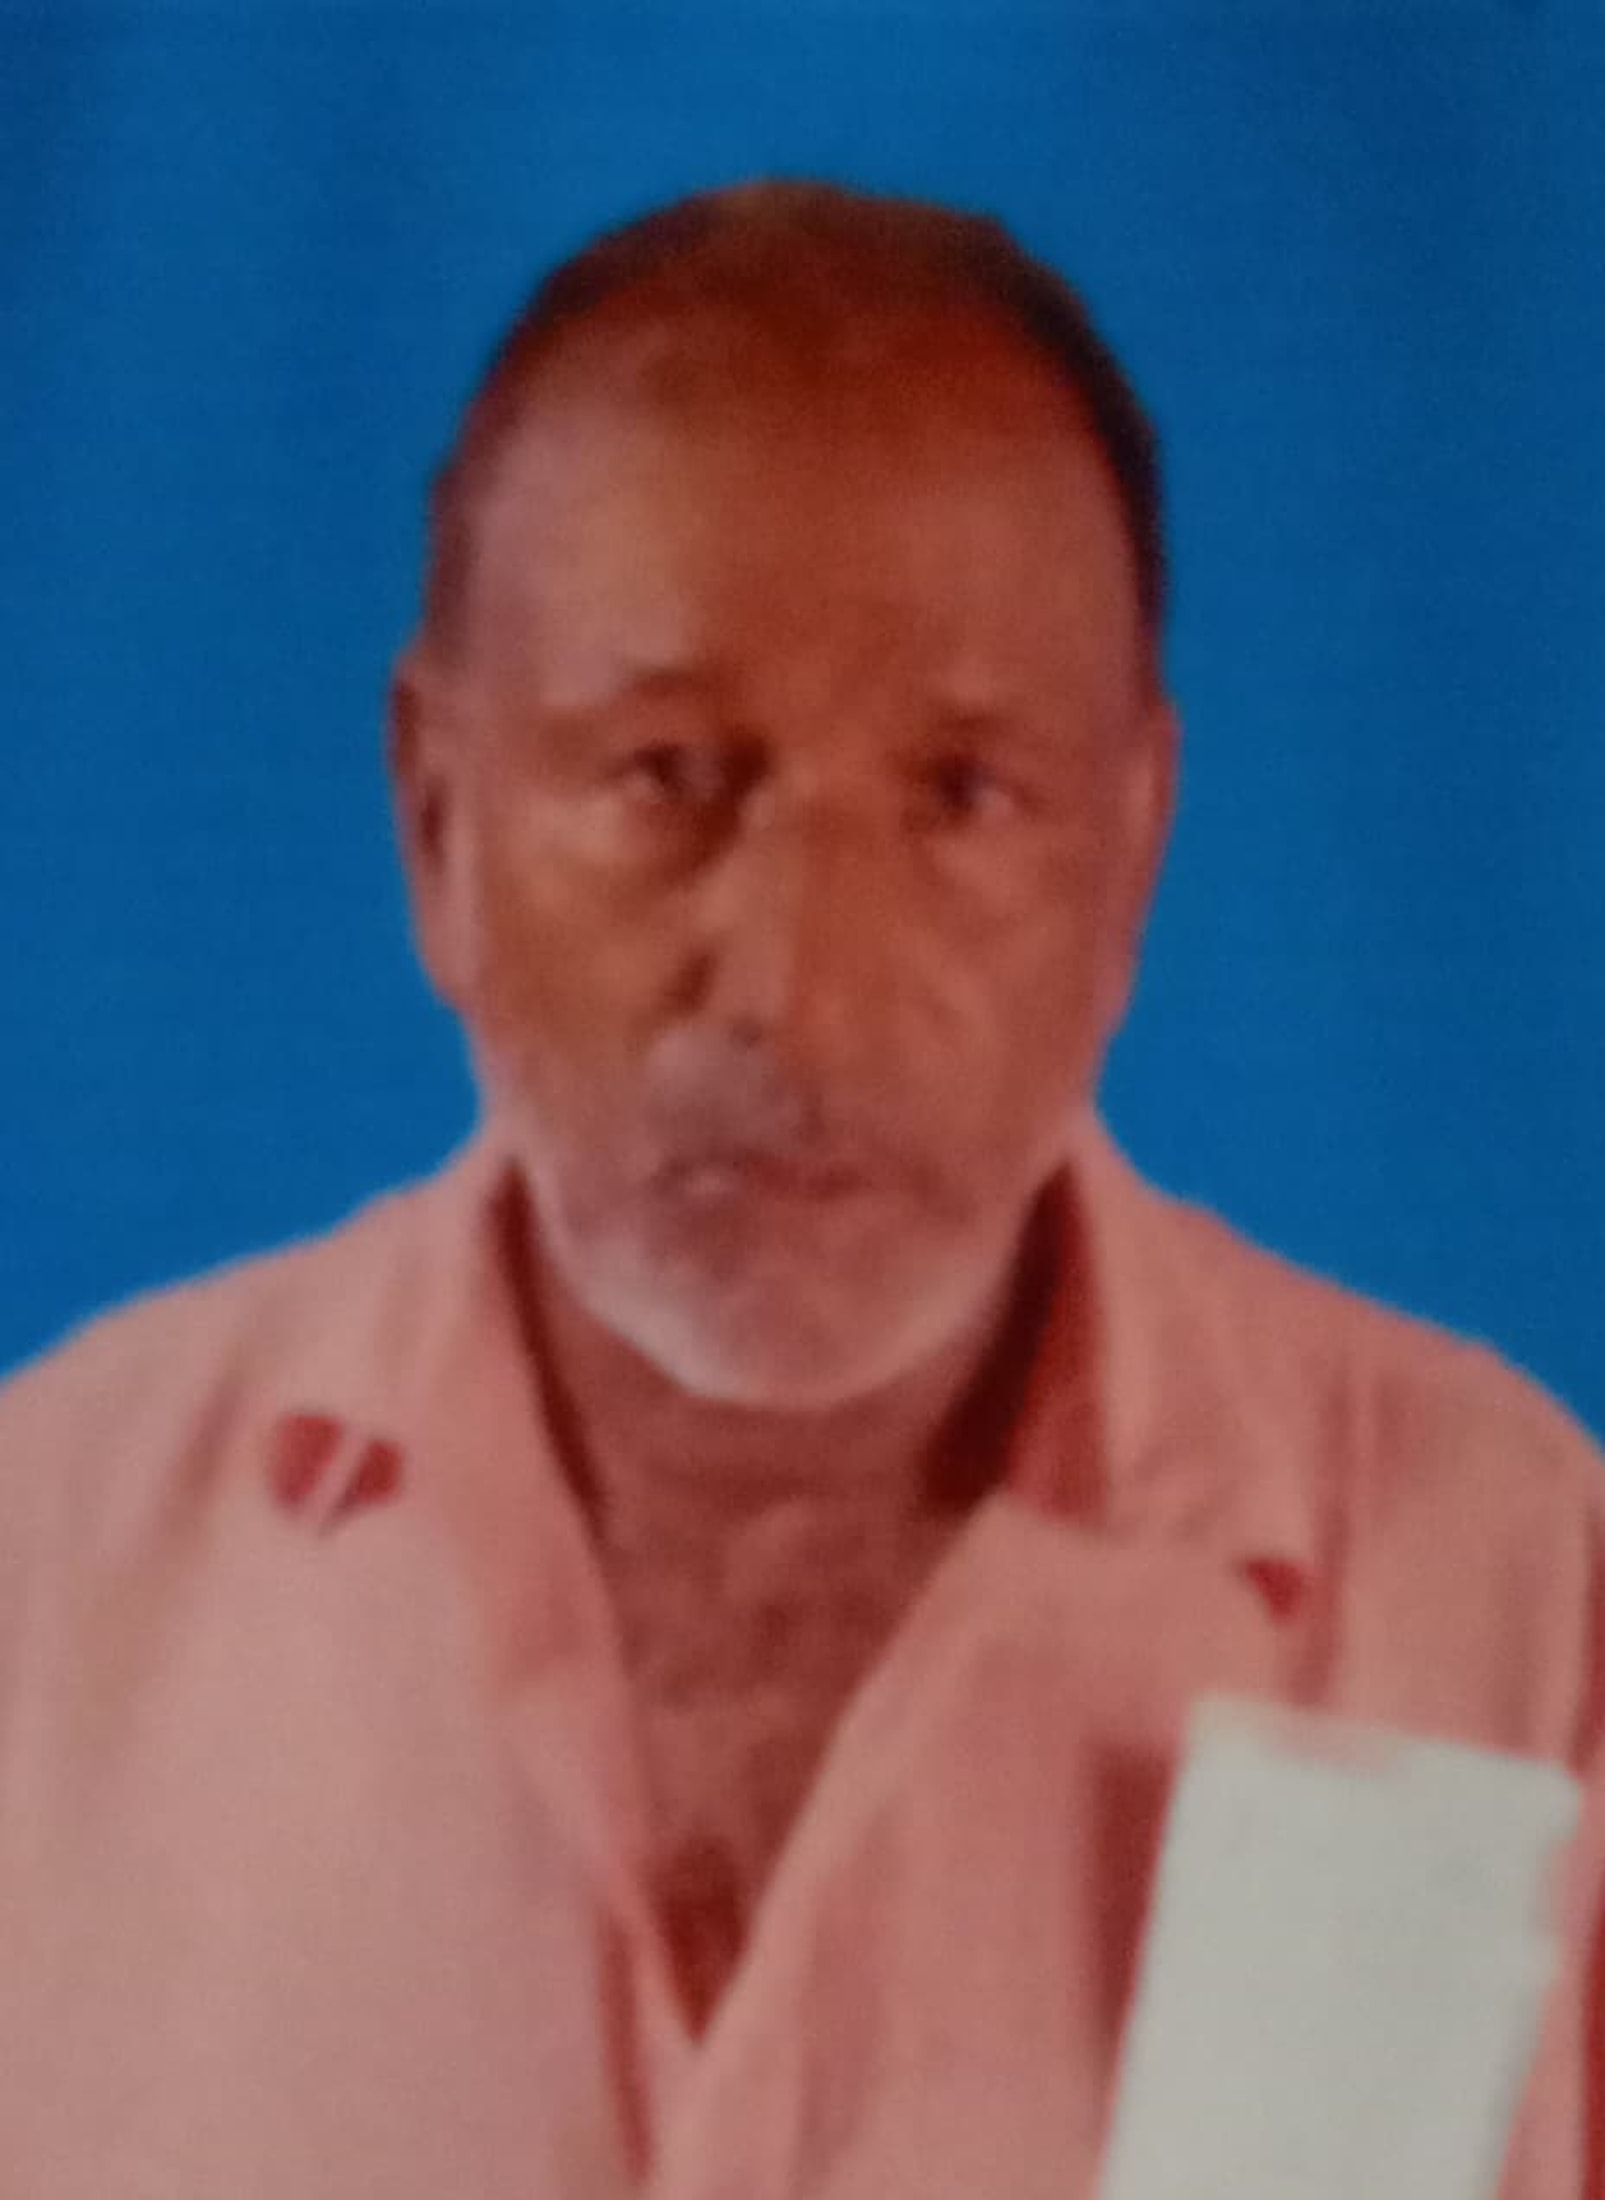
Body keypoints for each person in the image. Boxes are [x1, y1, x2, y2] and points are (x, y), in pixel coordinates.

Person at [0, 178, 1599, 2200]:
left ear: (1130, 853)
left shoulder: (1515, 1604)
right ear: (437, 822)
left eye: (961, 796)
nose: (800, 988)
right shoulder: (46, 1579)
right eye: (670, 774)